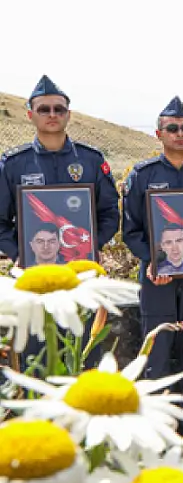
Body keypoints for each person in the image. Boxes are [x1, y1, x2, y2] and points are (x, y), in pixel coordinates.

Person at [0, 75, 120, 366]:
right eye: (44, 109)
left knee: (84, 354)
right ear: (30, 115)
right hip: (35, 279)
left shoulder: (91, 161)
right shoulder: (14, 164)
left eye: (59, 109)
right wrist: (19, 255)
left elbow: (109, 213)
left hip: (81, 276)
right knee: (37, 358)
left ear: (68, 114)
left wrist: (94, 246)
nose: (52, 115)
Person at [121, 95, 183, 445]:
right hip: (157, 278)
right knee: (157, 351)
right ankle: (157, 426)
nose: (181, 134)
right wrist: (150, 260)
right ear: (159, 133)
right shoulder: (143, 176)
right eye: (173, 128)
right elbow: (130, 229)